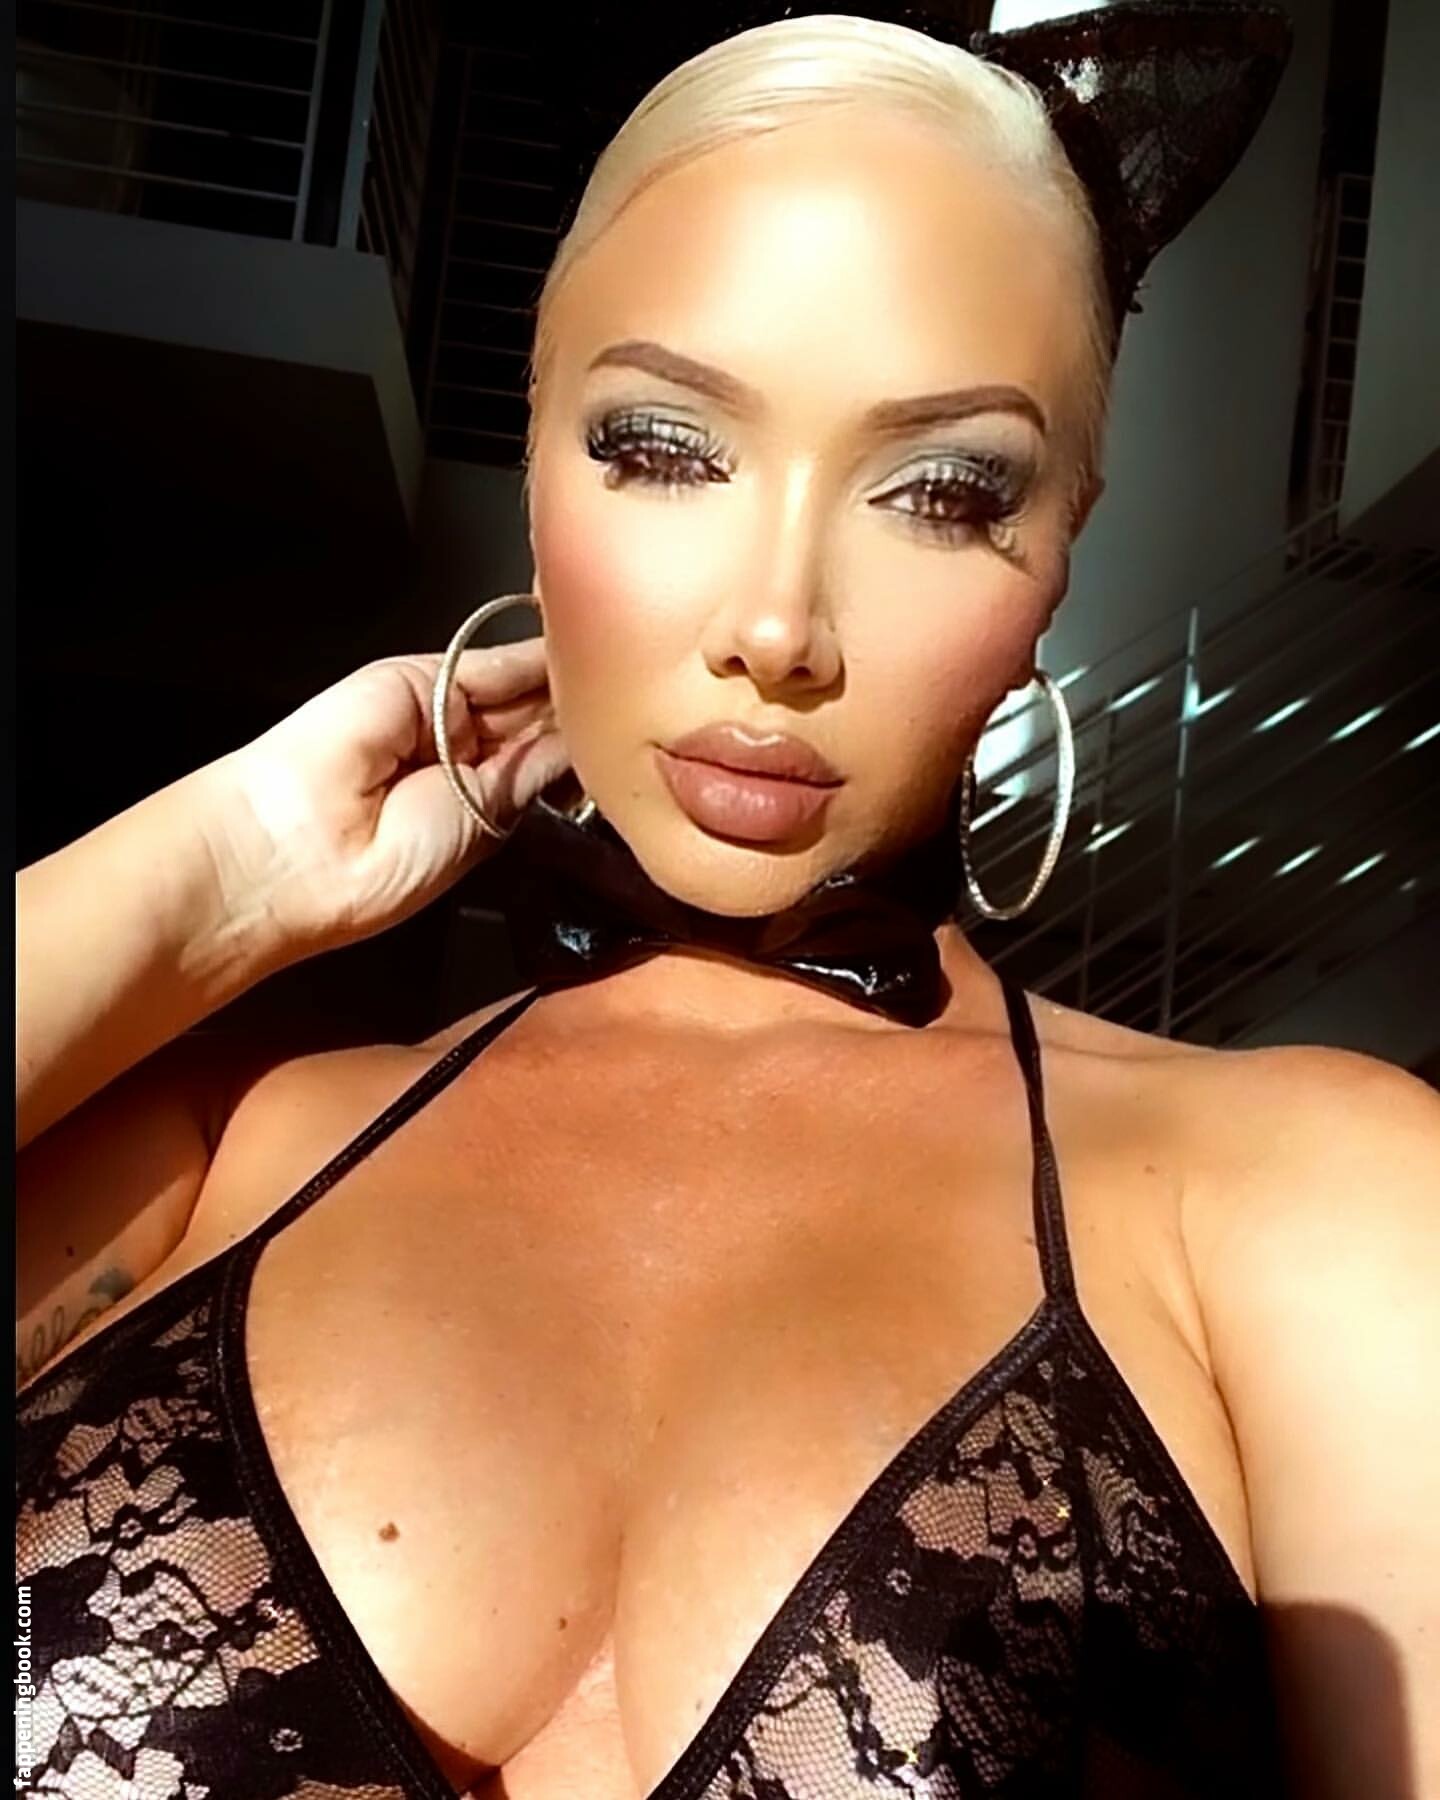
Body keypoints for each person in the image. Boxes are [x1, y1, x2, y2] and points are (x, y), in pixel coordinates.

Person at [15, 11, 1439, 1800]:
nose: (776, 625)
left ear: (1064, 545)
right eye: (664, 445)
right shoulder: (220, 1146)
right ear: (535, 460)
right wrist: (222, 873)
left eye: (944, 491)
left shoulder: (1317, 1202)